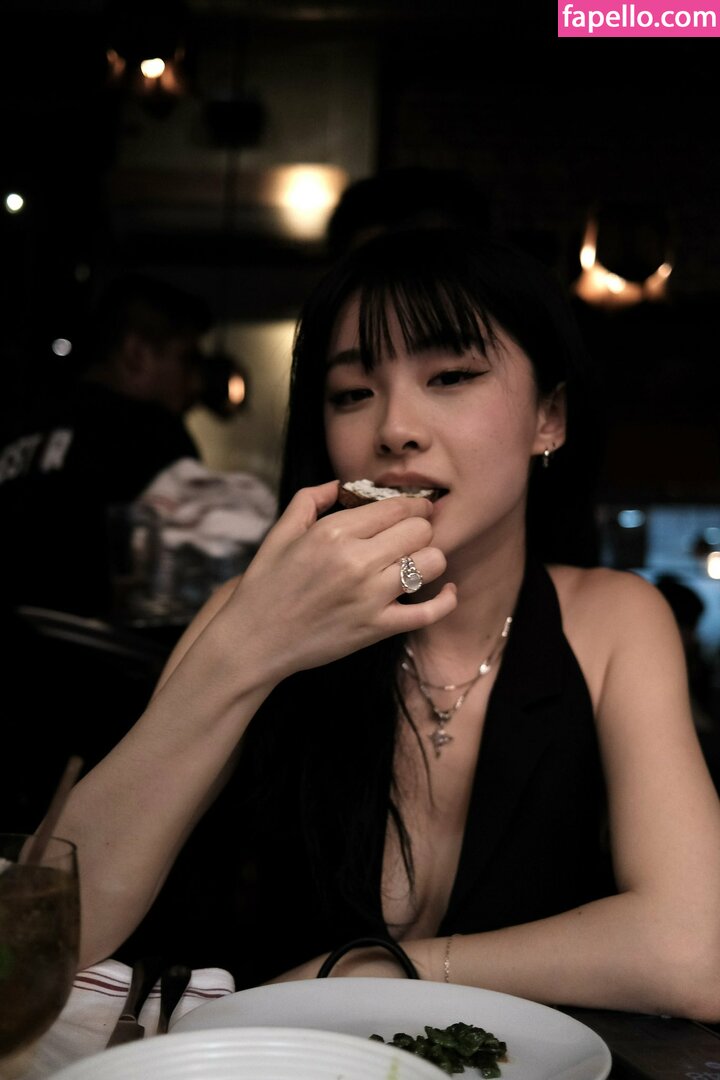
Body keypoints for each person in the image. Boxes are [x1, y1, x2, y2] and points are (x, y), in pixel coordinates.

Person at [52, 228, 720, 1020]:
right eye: (351, 393)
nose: (395, 428)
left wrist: (381, 972)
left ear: (549, 418)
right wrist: (249, 647)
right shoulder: (251, 613)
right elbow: (52, 931)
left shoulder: (613, 622)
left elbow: (696, 952)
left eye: (451, 376)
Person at [0, 273, 213, 618]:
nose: (194, 384)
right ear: (136, 353)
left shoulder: (20, 419)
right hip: (102, 646)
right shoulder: (152, 433)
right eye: (186, 359)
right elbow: (182, 589)